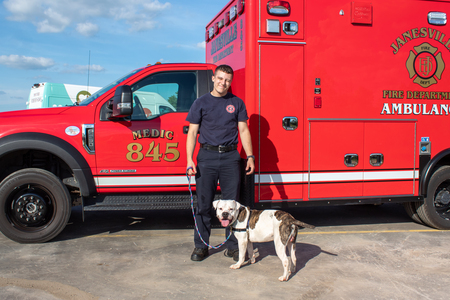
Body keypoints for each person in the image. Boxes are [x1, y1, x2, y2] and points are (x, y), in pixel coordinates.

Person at [186, 64, 255, 262]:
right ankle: (201, 246)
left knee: (232, 205)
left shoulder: (237, 103)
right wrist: (189, 159)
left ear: (230, 82)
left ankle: (233, 247)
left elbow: (243, 131)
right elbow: (192, 132)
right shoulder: (200, 102)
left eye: (227, 80)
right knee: (204, 205)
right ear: (213, 78)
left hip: (230, 158)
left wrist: (250, 156)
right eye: (220, 78)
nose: (223, 83)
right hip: (206, 157)